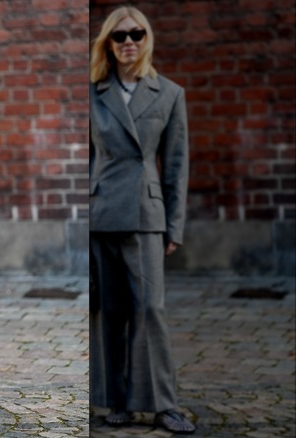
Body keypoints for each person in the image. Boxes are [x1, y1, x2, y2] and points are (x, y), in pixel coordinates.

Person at [88, 5, 195, 434]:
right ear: (108, 44)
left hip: (147, 213)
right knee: (110, 311)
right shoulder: (91, 92)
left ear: (146, 40)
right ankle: (118, 401)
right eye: (119, 36)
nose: (128, 41)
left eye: (136, 34)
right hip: (101, 213)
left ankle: (163, 404)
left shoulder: (169, 93)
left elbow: (176, 166)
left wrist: (175, 225)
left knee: (150, 308)